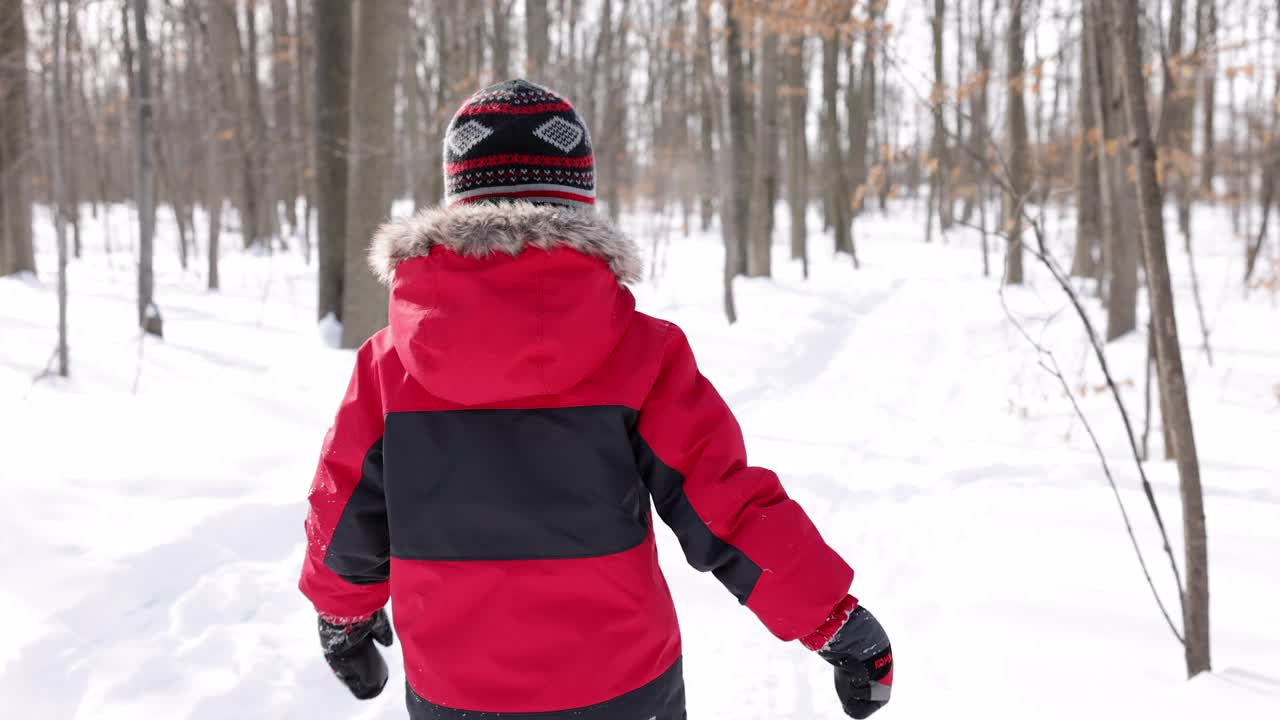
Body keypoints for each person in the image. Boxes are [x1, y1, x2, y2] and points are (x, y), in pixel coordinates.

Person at [299, 79, 892, 720]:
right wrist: (833, 619)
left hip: (456, 694)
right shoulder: (642, 351)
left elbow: (342, 512)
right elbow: (728, 503)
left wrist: (344, 616)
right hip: (625, 689)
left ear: (456, 199)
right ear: (579, 202)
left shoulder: (386, 366)